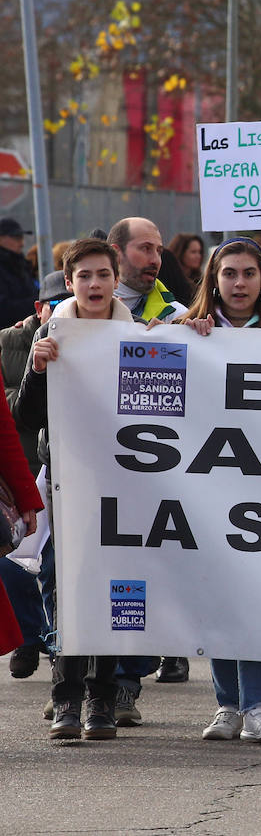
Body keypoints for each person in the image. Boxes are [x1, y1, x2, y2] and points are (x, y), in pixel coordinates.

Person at [176, 238, 261, 743]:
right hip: (208, 491)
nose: (239, 283)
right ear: (213, 280)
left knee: (258, 599)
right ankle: (226, 706)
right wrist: (177, 336)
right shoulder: (189, 329)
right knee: (220, 598)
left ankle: (259, 707)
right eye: (229, 274)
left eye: (250, 273)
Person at [15, 239, 136, 739]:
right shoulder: (51, 333)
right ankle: (65, 698)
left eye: (103, 275)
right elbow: (26, 416)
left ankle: (102, 700)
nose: (94, 284)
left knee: (113, 589)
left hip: (128, 483)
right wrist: (40, 370)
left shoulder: (138, 336)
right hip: (69, 480)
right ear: (70, 283)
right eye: (83, 276)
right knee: (67, 585)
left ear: (115, 280)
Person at [0, 270, 67, 679]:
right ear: (39, 308)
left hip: (36, 469)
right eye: (52, 305)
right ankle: (30, 638)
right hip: (31, 463)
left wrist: (26, 499)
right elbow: (15, 410)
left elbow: (4, 431)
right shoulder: (9, 343)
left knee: (46, 564)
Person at [108, 217, 188, 324]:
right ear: (115, 253)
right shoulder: (80, 310)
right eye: (145, 248)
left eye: (159, 252)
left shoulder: (176, 317)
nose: (155, 260)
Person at [0, 217, 36, 328]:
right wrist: (36, 302)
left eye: (21, 237)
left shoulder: (21, 264)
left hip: (24, 331)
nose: (21, 243)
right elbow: (3, 309)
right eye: (16, 237)